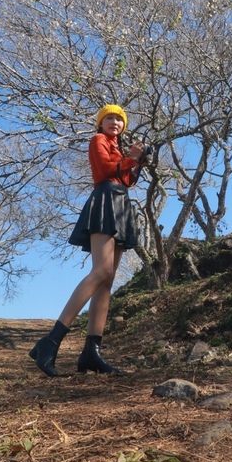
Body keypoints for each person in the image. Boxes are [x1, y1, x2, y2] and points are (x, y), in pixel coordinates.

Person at [29, 104, 144, 376]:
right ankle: (50, 341)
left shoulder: (118, 147)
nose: (115, 122)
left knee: (108, 280)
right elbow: (105, 170)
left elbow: (127, 180)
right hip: (104, 199)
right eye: (110, 118)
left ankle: (92, 351)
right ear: (101, 123)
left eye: (119, 119)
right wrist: (130, 157)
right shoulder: (98, 140)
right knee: (101, 270)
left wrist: (137, 161)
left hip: (121, 203)